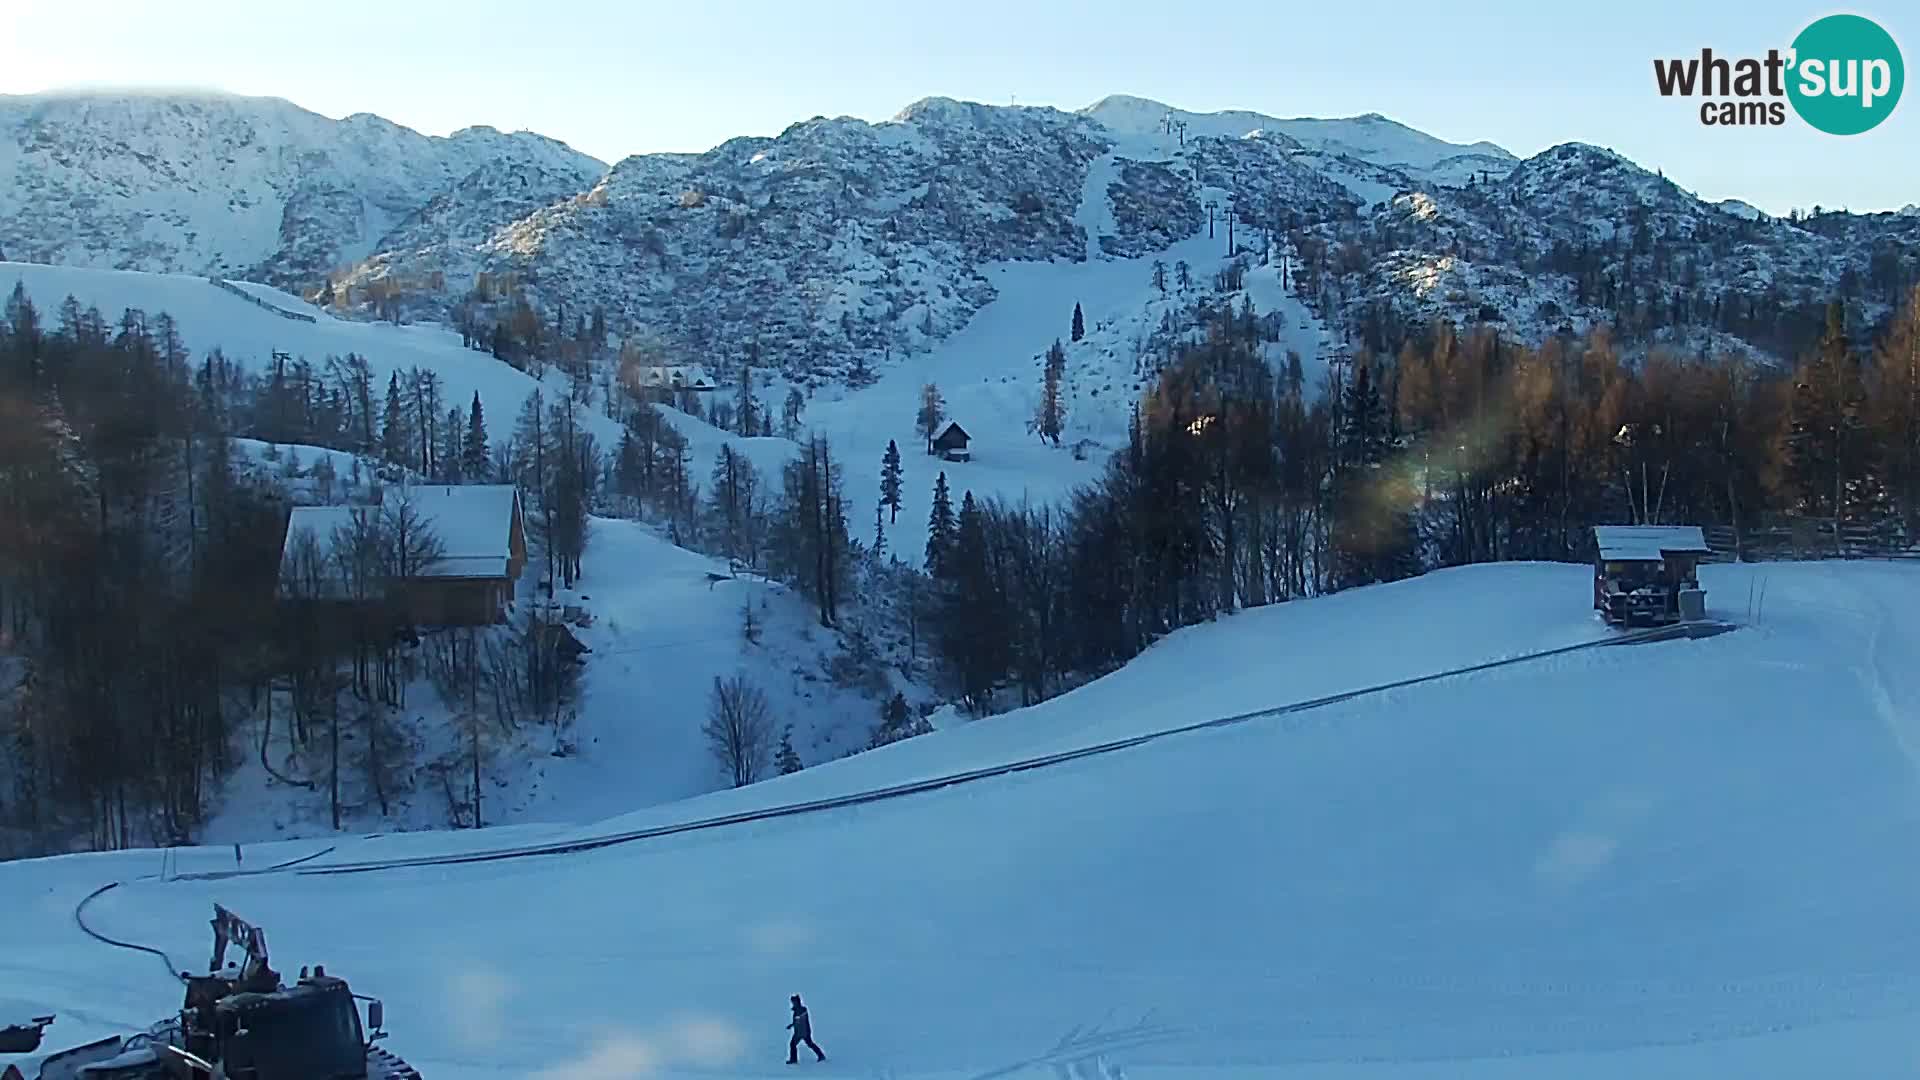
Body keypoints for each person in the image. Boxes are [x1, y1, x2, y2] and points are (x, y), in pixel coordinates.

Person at [786, 994, 825, 1064]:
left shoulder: (801, 1010)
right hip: (802, 1031)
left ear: (797, 1002)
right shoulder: (799, 1010)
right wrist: (791, 1025)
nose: (793, 1003)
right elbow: (797, 1021)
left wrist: (795, 1026)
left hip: (802, 1032)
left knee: (793, 1044)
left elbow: (800, 1020)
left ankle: (793, 1059)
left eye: (794, 1002)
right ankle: (821, 1055)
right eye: (792, 1002)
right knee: (808, 1044)